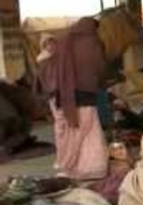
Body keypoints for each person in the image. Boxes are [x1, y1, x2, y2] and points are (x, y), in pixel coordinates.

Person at [37, 20, 109, 181]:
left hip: (65, 95)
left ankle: (70, 166)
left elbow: (55, 69)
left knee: (72, 130)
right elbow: (100, 68)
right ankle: (83, 167)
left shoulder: (64, 41)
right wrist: (103, 82)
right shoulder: (93, 42)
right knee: (87, 131)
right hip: (85, 93)